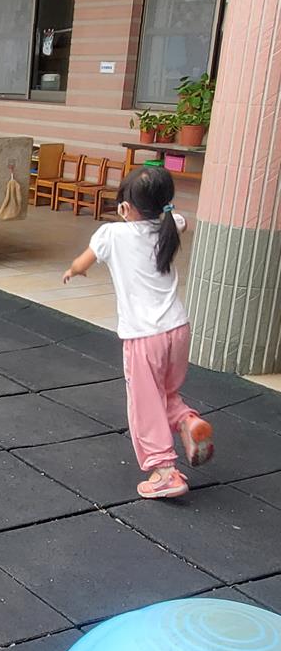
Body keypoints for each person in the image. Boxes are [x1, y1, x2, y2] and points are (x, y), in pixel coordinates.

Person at [63, 166, 214, 500]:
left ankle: (164, 471)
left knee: (144, 403)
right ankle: (187, 422)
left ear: (125, 205)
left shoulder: (111, 235)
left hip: (145, 336)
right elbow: (178, 220)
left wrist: (73, 271)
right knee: (165, 393)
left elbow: (82, 263)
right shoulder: (170, 225)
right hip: (178, 329)